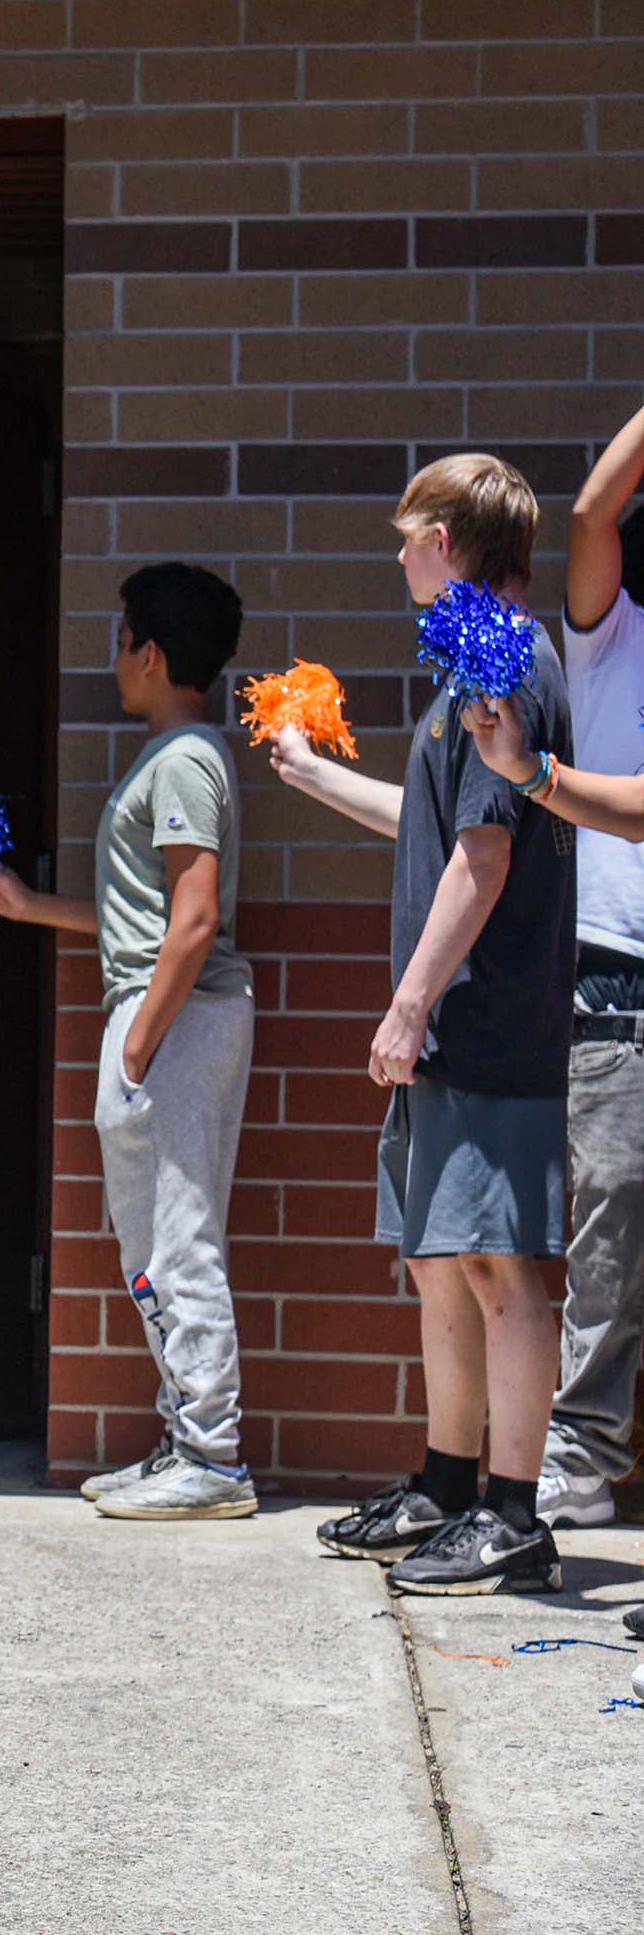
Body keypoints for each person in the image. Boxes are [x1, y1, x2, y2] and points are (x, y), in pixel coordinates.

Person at [270, 452, 571, 1595]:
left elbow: (483, 861)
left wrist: (408, 1003)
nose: (396, 555)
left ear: (446, 542)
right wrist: (312, 778)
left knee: (499, 1267)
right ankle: (447, 1486)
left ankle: (511, 1511)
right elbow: (440, 823)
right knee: (440, 1263)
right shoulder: (464, 671)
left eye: (406, 537)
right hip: (454, 1028)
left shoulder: (506, 665)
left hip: (487, 1022)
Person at [0, 564, 258, 1519]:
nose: (113, 658)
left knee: (178, 1243)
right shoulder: (174, 756)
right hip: (158, 1015)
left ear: (153, 654)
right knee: (153, 1245)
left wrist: (137, 1045)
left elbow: (195, 917)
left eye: (120, 638)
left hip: (173, 1021)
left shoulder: (183, 761)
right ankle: (187, 1439)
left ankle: (213, 1456)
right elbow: (141, 918)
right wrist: (26, 906)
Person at [462, 401, 644, 1531]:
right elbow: (591, 506)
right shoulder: (608, 634)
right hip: (614, 971)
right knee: (603, 1216)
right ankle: (576, 1449)